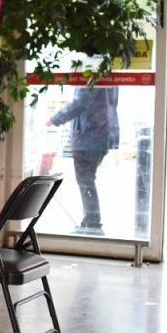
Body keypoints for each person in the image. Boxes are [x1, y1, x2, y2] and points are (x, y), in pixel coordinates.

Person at [48, 86, 120, 235]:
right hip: (103, 132)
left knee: (86, 180)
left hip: (88, 134)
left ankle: (92, 223)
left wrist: (55, 119)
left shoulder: (90, 70)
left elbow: (80, 102)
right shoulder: (108, 72)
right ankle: (90, 221)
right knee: (88, 179)